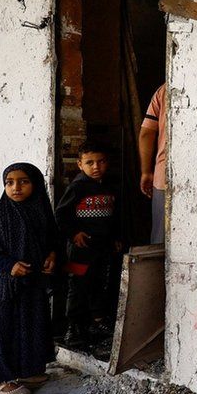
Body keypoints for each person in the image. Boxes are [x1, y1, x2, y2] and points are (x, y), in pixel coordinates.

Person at [0, 163, 59, 394]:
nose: (16, 187)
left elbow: (52, 238)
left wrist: (52, 255)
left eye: (23, 181)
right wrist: (10, 266)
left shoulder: (40, 209)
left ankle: (26, 371)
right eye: (9, 182)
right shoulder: (1, 214)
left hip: (30, 282)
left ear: (35, 184)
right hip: (1, 284)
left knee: (30, 324)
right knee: (3, 329)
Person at [55, 142, 122, 345]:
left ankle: (98, 321)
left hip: (102, 248)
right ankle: (73, 327)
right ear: (79, 164)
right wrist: (74, 233)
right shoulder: (77, 187)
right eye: (89, 162)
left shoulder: (109, 186)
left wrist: (116, 238)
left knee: (99, 283)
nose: (96, 167)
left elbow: (115, 217)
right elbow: (61, 214)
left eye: (100, 161)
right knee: (77, 286)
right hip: (80, 250)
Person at [139, 84, 167, 244]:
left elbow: (146, 133)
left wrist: (146, 171)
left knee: (161, 241)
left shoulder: (163, 91)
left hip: (164, 176)